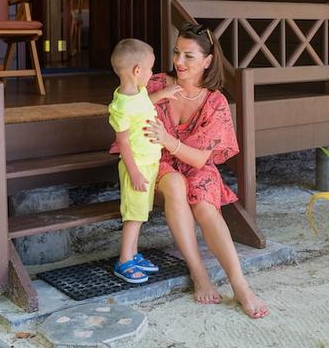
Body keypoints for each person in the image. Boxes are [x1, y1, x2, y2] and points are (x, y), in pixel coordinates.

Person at [142, 23, 269, 319]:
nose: (179, 62)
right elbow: (123, 107)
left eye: (189, 56)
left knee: (205, 204)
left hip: (195, 161)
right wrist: (155, 99)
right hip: (157, 160)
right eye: (176, 53)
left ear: (208, 61)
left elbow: (200, 159)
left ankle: (240, 286)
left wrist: (169, 139)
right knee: (174, 183)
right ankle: (199, 273)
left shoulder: (215, 102)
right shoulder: (157, 83)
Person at [107, 38, 168, 284]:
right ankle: (124, 261)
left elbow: (144, 105)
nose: (152, 74)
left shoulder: (138, 92)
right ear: (137, 71)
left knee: (141, 213)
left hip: (149, 162)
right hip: (138, 166)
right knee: (133, 216)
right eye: (151, 69)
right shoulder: (120, 105)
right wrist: (133, 172)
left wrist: (165, 93)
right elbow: (122, 143)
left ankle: (132, 254)